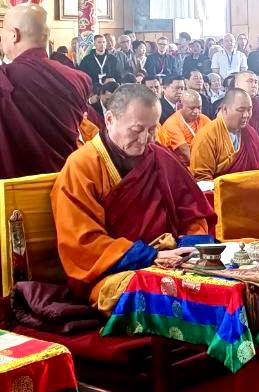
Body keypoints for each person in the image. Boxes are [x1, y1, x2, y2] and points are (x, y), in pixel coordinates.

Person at [51, 84, 215, 309]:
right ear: (109, 119)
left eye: (152, 130)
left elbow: (192, 212)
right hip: (115, 273)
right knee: (164, 296)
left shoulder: (160, 157)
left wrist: (191, 250)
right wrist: (149, 256)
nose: (145, 139)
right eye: (137, 130)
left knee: (224, 282)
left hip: (173, 260)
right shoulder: (82, 167)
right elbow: (83, 243)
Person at [0, 4, 92, 178]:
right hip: (65, 183)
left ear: (14, 35)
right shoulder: (79, 79)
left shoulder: (4, 77)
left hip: (12, 188)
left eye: (2, 32)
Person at [190, 88, 259, 180]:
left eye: (249, 109)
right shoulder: (206, 136)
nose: (246, 115)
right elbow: (202, 178)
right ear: (225, 109)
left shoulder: (251, 133)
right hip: (220, 189)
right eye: (241, 110)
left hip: (253, 187)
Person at [158, 89, 211, 165]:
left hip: (202, 160)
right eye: (192, 108)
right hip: (180, 165)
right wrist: (201, 166)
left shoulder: (203, 119)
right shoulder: (172, 123)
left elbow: (214, 137)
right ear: (180, 106)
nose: (196, 111)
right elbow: (184, 149)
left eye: (199, 107)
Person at [232, 71, 259, 137]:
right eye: (250, 81)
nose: (254, 85)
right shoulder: (230, 105)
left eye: (256, 82)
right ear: (237, 84)